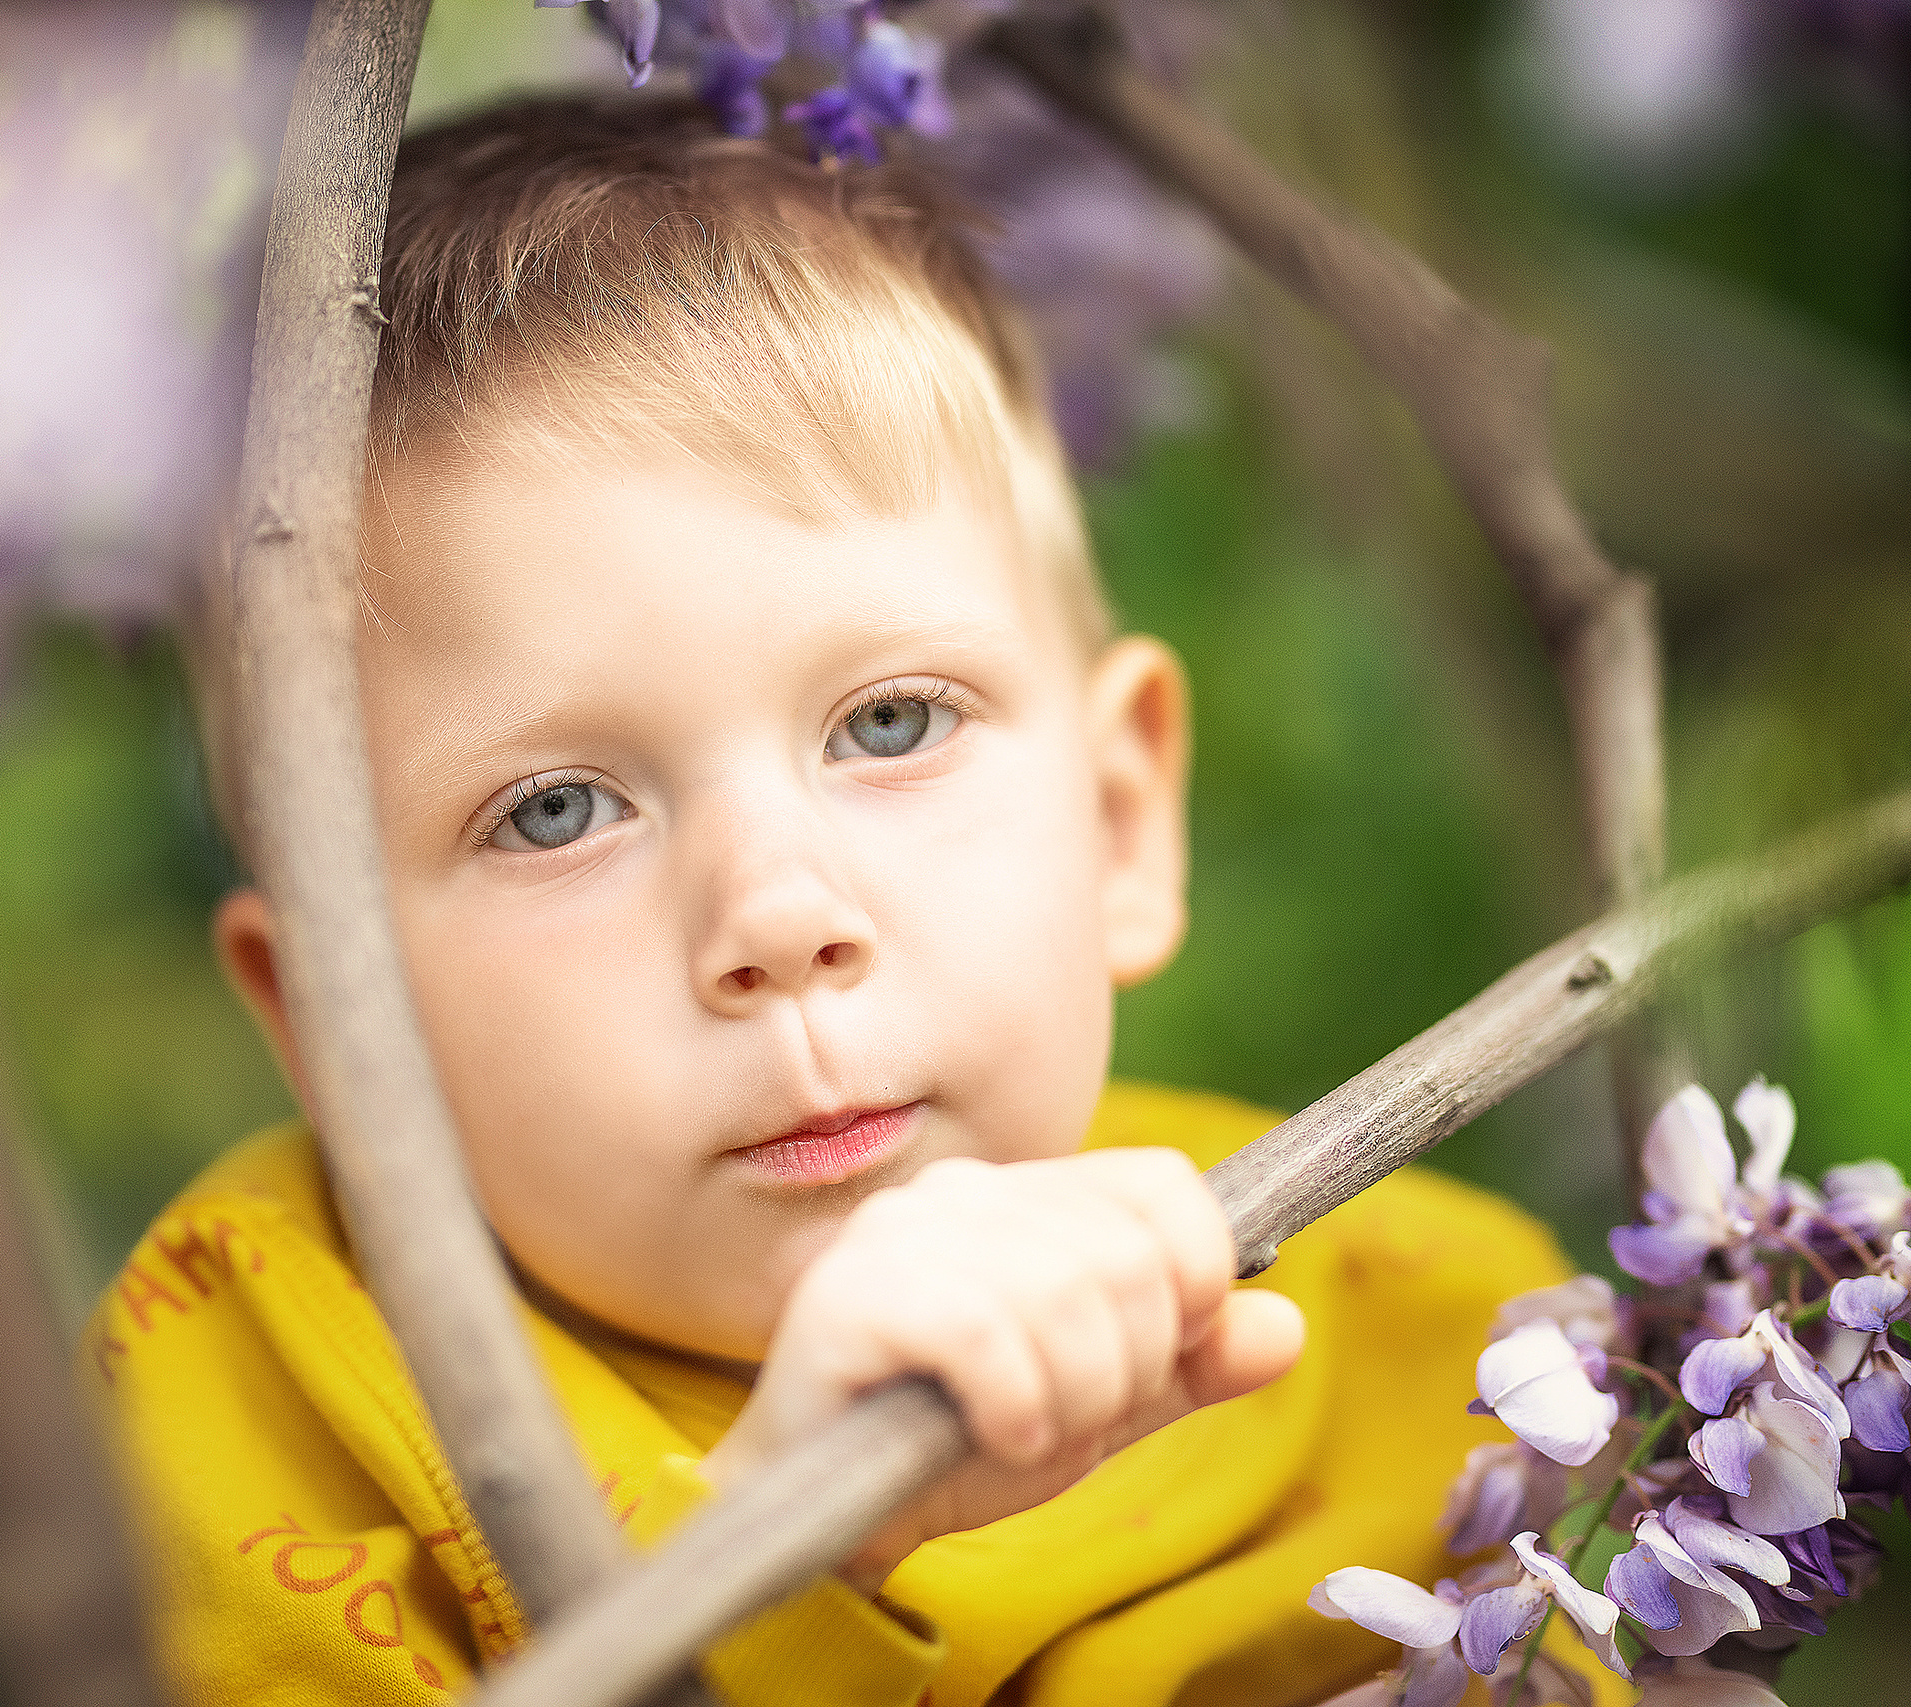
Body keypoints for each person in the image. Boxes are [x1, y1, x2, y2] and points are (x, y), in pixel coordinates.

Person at [85, 97, 1616, 1707]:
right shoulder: (248, 1408)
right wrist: (766, 1557)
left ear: (1117, 819)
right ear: (330, 1014)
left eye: (890, 723)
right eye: (552, 811)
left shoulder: (1427, 1323)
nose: (776, 916)